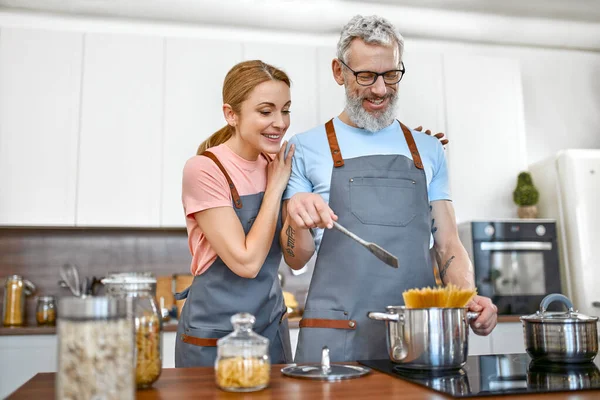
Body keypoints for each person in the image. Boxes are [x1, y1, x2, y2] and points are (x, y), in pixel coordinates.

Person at [280, 15, 498, 363]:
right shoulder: (304, 148)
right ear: (339, 72)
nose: (380, 89)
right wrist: (295, 217)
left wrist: (465, 296)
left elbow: (448, 244)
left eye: (391, 74)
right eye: (366, 76)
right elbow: (295, 256)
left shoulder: (428, 150)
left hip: (419, 335)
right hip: (334, 341)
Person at [174, 60, 297, 367]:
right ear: (231, 114)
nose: (280, 122)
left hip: (270, 326)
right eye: (266, 111)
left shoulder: (279, 163)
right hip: (214, 333)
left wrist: (404, 144)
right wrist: (274, 188)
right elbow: (246, 262)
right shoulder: (204, 169)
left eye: (286, 109)